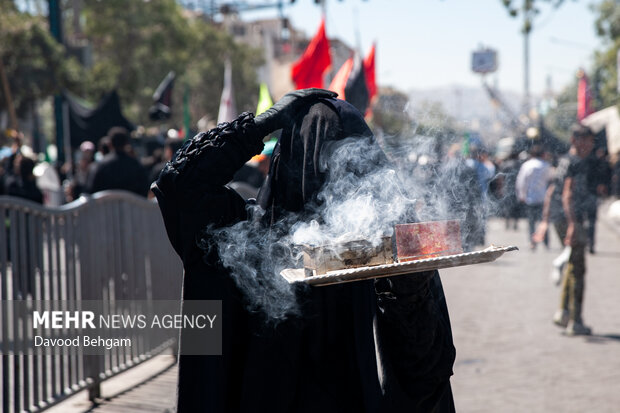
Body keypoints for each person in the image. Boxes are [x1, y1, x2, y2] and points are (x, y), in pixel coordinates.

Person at [152, 89, 456, 412]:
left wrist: (410, 286)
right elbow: (178, 188)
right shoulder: (244, 238)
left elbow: (423, 376)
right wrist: (258, 127)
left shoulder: (374, 251)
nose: (332, 184)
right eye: (319, 159)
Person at [533, 123, 595, 336]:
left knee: (571, 264)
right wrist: (573, 225)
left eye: (591, 141)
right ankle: (575, 321)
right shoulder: (576, 163)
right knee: (578, 270)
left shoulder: (563, 161)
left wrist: (544, 220)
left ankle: (564, 313)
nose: (590, 145)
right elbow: (567, 194)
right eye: (586, 140)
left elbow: (552, 191)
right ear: (575, 140)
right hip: (570, 219)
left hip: (561, 218)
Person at [85, 127, 149, 197]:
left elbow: (90, 190)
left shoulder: (99, 166)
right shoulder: (136, 165)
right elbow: (145, 189)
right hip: (131, 207)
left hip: (106, 207)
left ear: (110, 143)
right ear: (126, 143)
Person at [515, 144, 551, 250]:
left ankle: (533, 242)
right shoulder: (546, 165)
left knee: (531, 222)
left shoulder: (526, 165)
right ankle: (546, 242)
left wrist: (521, 195)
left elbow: (521, 181)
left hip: (530, 198)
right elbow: (550, 179)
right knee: (543, 221)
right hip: (543, 197)